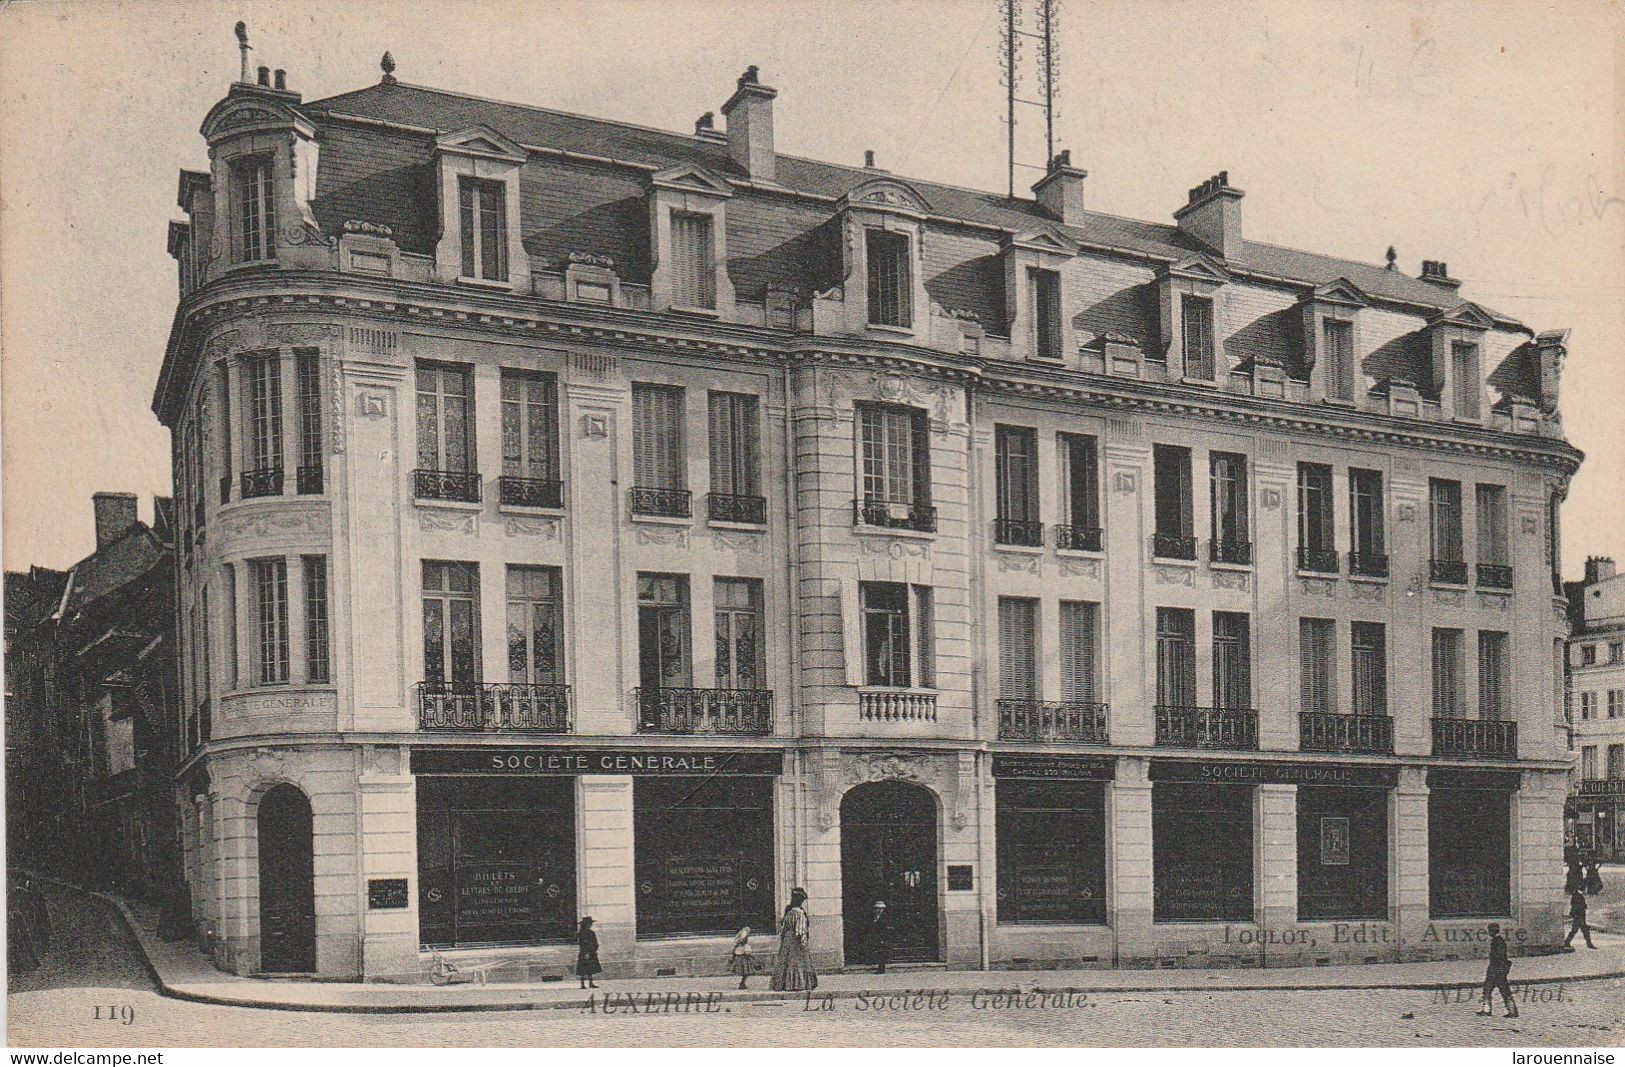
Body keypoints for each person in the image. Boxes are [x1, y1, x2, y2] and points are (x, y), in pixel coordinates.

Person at [769, 887, 818, 991]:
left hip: (788, 938)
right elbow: (800, 930)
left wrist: (784, 939)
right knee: (797, 962)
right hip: (796, 940)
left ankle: (783, 984)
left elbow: (783, 928)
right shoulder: (799, 913)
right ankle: (797, 984)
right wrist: (803, 942)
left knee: (785, 961)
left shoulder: (789, 911)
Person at [1476, 922, 1517, 1018]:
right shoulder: (1499, 940)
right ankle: (1512, 1010)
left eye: (1490, 931)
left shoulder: (1497, 942)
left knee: (1488, 989)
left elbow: (1498, 957)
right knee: (1503, 990)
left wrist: (1495, 969)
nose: (1489, 932)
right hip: (1499, 970)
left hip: (1496, 970)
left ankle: (1487, 1010)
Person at [576, 916, 601, 989]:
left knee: (590, 969)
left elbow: (595, 943)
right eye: (589, 923)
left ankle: (590, 983)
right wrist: (586, 953)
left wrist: (593, 950)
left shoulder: (587, 932)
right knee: (584, 969)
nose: (590, 925)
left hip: (590, 952)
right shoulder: (583, 933)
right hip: (586, 952)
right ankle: (583, 984)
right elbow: (583, 944)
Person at [868, 900, 891, 975]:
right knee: (879, 952)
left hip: (882, 938)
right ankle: (880, 968)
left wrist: (883, 938)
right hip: (877, 937)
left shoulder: (884, 917)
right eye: (878, 908)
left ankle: (881, 969)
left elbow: (885, 929)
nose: (879, 910)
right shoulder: (875, 916)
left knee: (882, 953)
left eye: (881, 908)